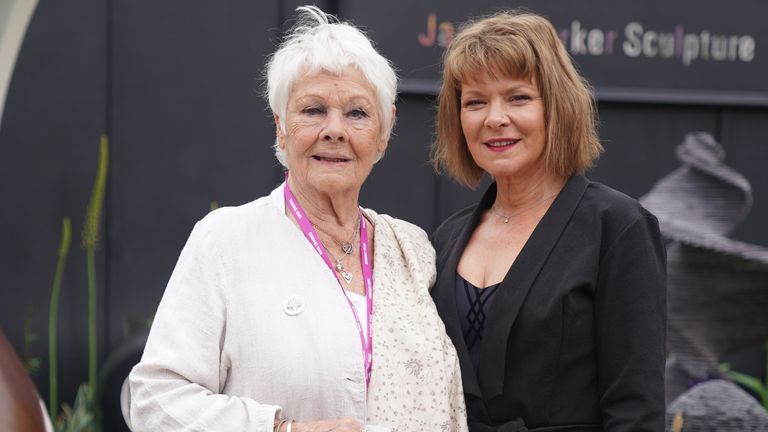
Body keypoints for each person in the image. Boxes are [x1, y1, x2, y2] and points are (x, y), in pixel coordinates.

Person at [128, 6, 467, 432]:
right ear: (280, 126)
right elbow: (154, 399)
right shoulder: (226, 242)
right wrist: (282, 431)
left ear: (384, 131)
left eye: (357, 113)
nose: (335, 130)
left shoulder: (412, 249)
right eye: (313, 110)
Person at [430, 10, 666, 432]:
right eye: (475, 101)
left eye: (518, 97)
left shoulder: (618, 228)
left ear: (556, 106)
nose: (494, 118)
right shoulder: (446, 239)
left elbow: (636, 411)